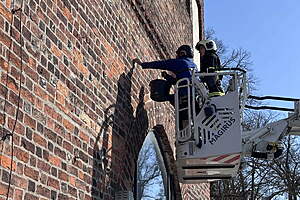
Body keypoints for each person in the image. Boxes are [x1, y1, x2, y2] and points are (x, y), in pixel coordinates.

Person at [133, 45, 197, 129]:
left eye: (177, 54)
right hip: (194, 97)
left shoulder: (181, 62)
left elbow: (161, 64)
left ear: (182, 53)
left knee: (168, 99)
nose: (176, 57)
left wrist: (142, 64)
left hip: (184, 96)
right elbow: (179, 81)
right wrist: (167, 77)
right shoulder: (194, 66)